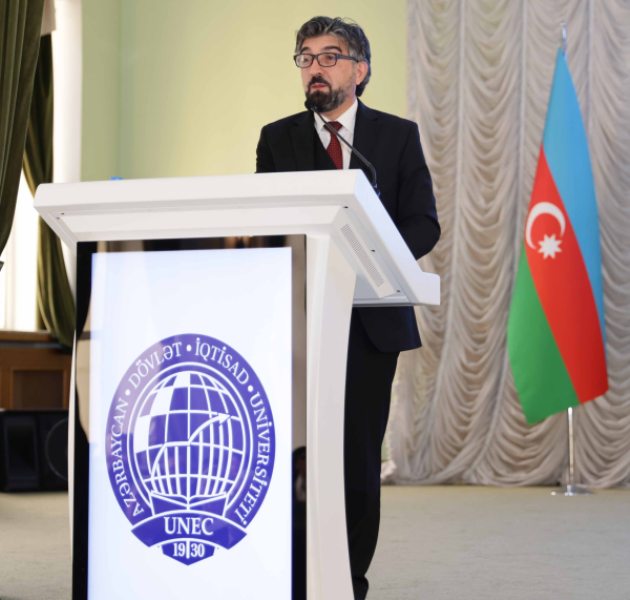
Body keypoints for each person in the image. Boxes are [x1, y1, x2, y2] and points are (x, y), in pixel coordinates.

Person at [256, 16, 440, 600]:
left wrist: (374, 256)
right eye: (306, 57)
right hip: (299, 320)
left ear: (360, 70)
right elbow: (266, 223)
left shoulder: (396, 137)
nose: (315, 67)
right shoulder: (277, 138)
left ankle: (348, 581)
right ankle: (295, 572)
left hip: (370, 319)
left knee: (356, 456)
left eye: (330, 56)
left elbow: (424, 223)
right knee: (298, 452)